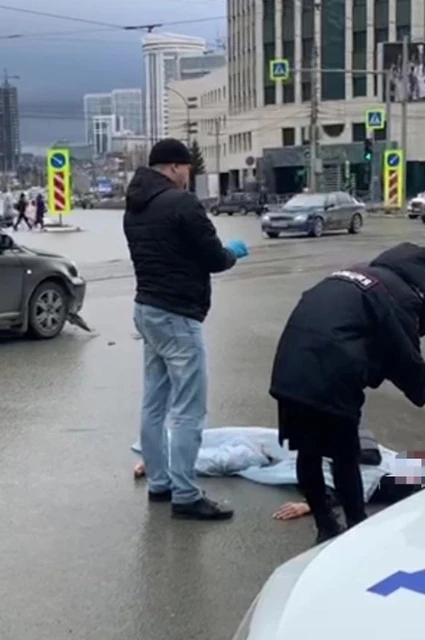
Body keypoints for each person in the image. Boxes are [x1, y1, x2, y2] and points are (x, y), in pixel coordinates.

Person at [269, 242, 425, 545]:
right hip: (332, 376)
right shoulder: (396, 294)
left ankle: (326, 526)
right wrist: (420, 386)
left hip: (289, 369)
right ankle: (354, 530)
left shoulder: (351, 275)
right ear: (424, 277)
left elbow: (365, 337)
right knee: (344, 456)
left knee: (307, 451)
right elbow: (402, 353)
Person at [124, 138, 249, 521]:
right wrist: (232, 253)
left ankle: (160, 483)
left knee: (154, 403)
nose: (188, 177)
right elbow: (213, 258)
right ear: (176, 167)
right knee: (189, 409)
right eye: (187, 169)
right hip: (178, 315)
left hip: (147, 309)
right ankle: (185, 494)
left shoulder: (135, 206)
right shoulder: (182, 203)